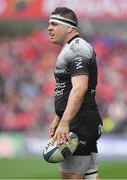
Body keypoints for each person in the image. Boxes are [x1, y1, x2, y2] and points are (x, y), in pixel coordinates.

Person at [47, 7, 103, 180]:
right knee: (90, 176)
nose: (49, 28)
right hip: (83, 120)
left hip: (78, 122)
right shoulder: (72, 48)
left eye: (54, 24)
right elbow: (68, 89)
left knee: (71, 177)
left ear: (69, 27)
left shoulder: (77, 49)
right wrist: (59, 117)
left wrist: (65, 123)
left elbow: (79, 88)